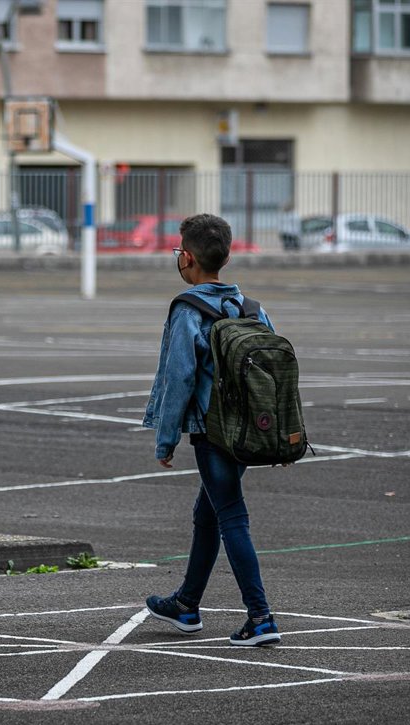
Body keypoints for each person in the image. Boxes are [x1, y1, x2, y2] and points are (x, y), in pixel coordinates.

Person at [142, 213, 280, 646]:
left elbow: (178, 377)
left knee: (231, 517)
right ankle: (186, 604)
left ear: (186, 257)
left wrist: (166, 439)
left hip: (213, 433)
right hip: (247, 433)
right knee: (208, 513)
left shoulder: (188, 309)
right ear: (226, 257)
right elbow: (273, 372)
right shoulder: (251, 308)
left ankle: (260, 616)